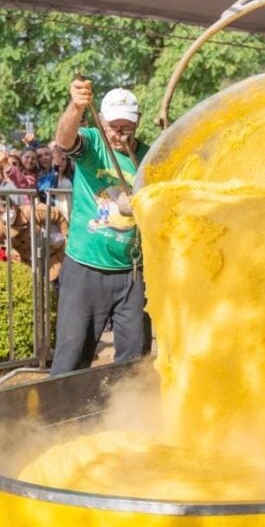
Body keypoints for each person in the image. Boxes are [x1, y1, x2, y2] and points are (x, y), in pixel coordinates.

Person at [50, 83, 150, 374]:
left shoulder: (148, 157)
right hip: (85, 267)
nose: (120, 134)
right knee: (72, 355)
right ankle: (64, 403)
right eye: (113, 127)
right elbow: (64, 140)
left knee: (135, 359)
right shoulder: (92, 143)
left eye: (127, 127)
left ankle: (126, 402)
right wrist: (76, 106)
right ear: (101, 121)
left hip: (132, 271)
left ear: (138, 122)